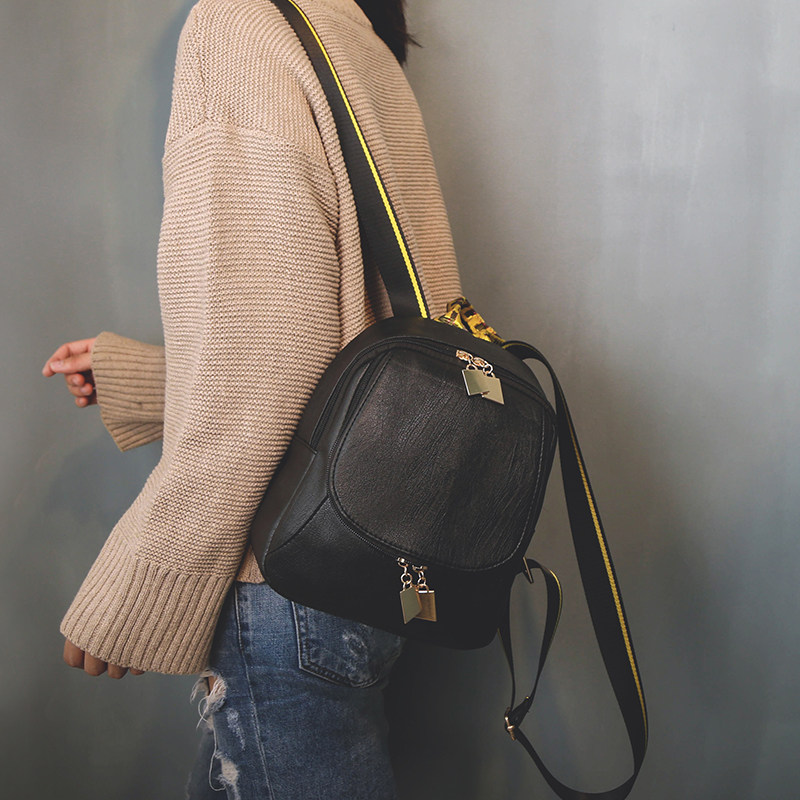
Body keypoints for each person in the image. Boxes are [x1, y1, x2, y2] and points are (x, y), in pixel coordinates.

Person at [43, 0, 461, 797]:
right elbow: (340, 341)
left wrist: (142, 578)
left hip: (284, 587)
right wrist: (150, 379)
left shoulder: (235, 25)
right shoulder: (352, 31)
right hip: (370, 568)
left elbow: (263, 364)